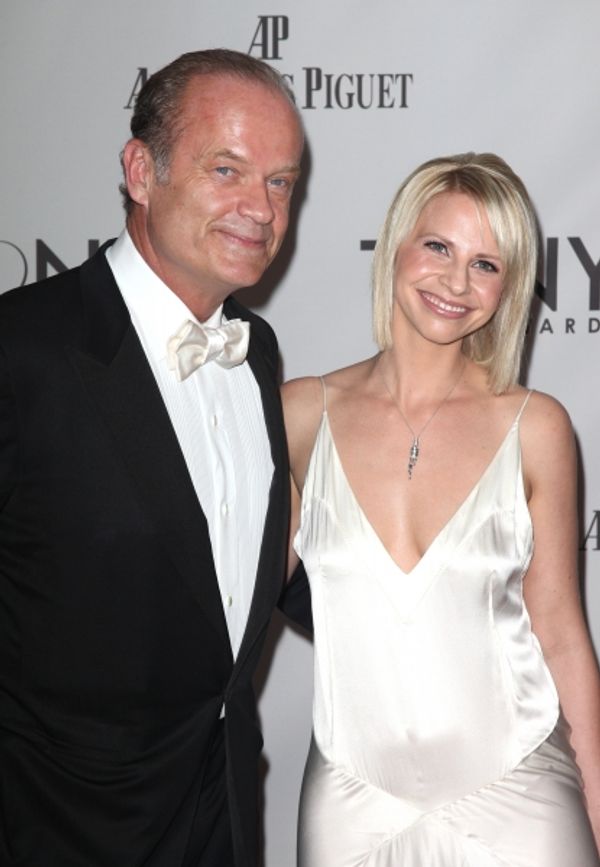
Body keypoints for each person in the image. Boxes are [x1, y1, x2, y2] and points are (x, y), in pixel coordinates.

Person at [0, 49, 306, 866]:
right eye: (228, 169)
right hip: (61, 830)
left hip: (228, 820)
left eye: (281, 181)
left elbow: (235, 583)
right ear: (141, 171)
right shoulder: (22, 349)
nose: (261, 209)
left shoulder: (260, 353)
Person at [283, 152, 600, 866]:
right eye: (439, 246)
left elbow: (560, 630)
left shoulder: (536, 426)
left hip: (523, 797)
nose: (457, 281)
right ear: (395, 243)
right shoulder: (301, 415)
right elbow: (230, 601)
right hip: (352, 806)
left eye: (487, 264)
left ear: (510, 285)